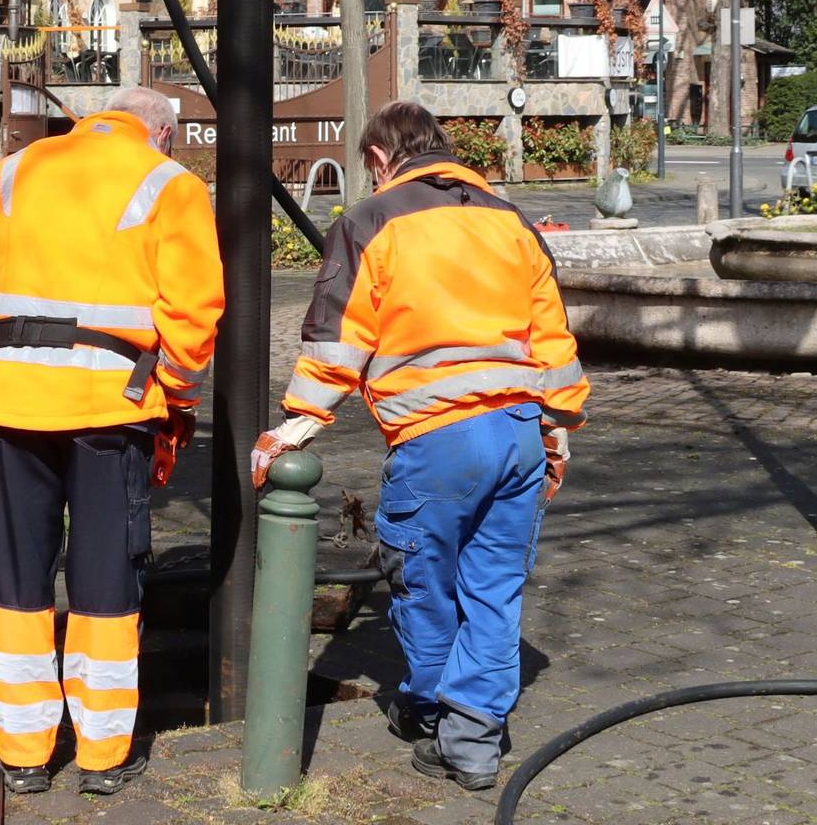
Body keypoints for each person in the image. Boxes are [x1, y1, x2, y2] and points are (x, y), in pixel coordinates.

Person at [250, 101, 588, 793]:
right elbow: (552, 336)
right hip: (520, 435)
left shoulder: (371, 222)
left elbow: (337, 340)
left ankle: (431, 708)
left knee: (421, 580)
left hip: (438, 440)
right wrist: (558, 429)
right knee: (495, 590)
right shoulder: (511, 220)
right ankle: (473, 741)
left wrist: (295, 426)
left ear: (379, 158)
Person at [0, 88, 222, 797]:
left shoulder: (18, 168)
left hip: (11, 407)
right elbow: (192, 320)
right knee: (104, 578)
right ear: (161, 133)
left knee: (11, 579)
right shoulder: (170, 184)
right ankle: (101, 758)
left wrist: (4, 360)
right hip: (109, 411)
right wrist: (173, 401)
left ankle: (23, 754)